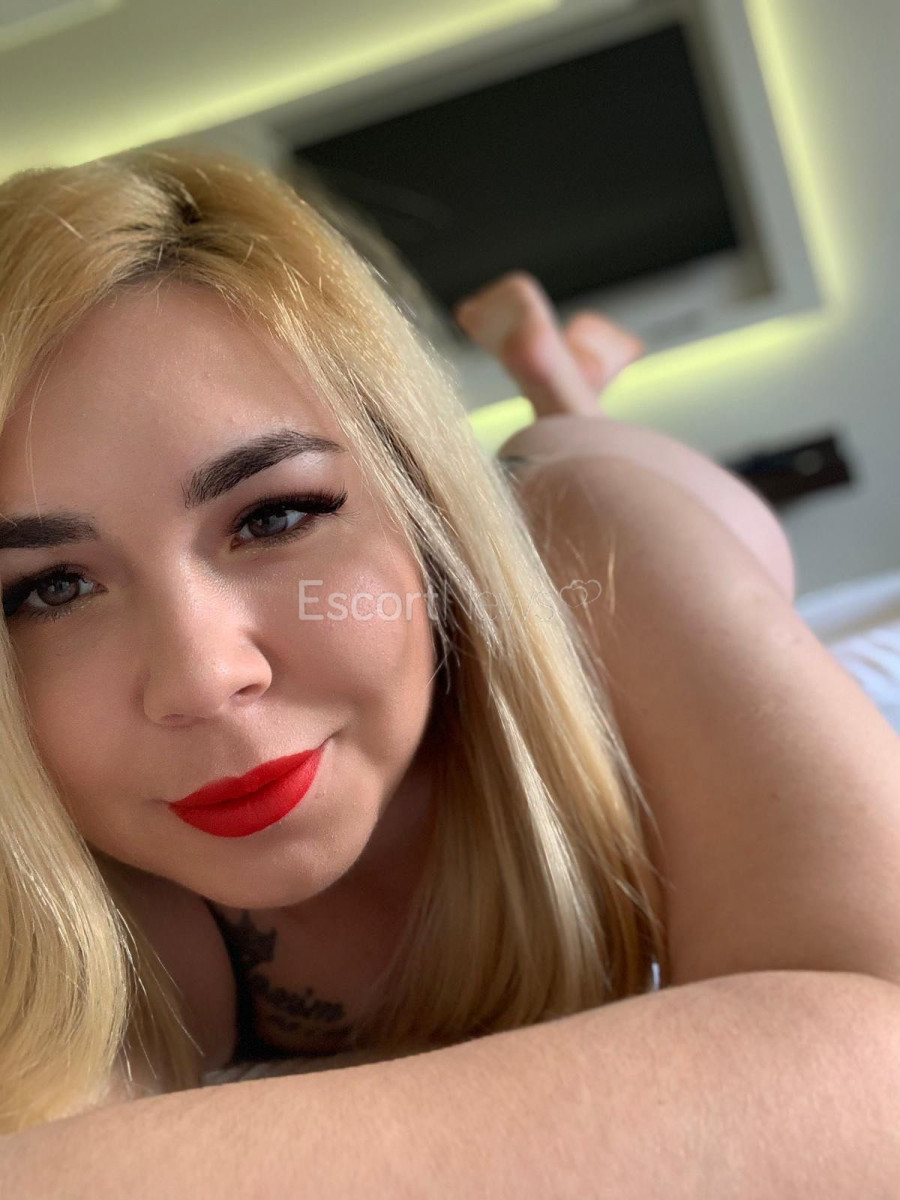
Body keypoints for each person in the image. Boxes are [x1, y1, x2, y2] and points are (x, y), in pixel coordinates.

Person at [1, 149, 899, 1196]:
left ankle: (562, 389)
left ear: (422, 501)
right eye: (52, 588)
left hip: (600, 515)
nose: (201, 679)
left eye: (275, 516)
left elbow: (875, 1051)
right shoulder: (72, 875)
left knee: (640, 490)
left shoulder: (600, 552)